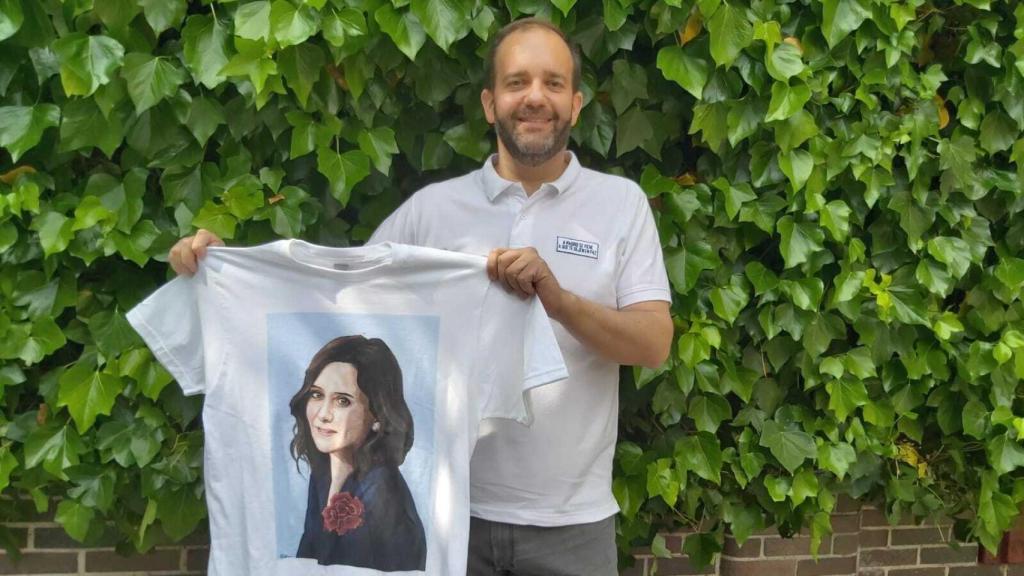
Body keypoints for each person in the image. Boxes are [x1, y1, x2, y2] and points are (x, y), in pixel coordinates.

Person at [170, 17, 673, 576]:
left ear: (576, 103)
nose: (535, 97)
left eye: (553, 83)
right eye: (517, 82)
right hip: (450, 519)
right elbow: (331, 308)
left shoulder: (620, 204)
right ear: (489, 103)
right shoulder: (431, 212)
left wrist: (558, 300)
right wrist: (224, 270)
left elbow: (653, 344)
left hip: (571, 526)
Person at [288, 335, 426, 571]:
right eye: (317, 394)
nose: (323, 414)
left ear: (377, 416)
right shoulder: (322, 476)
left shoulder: (381, 490)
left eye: (342, 401)